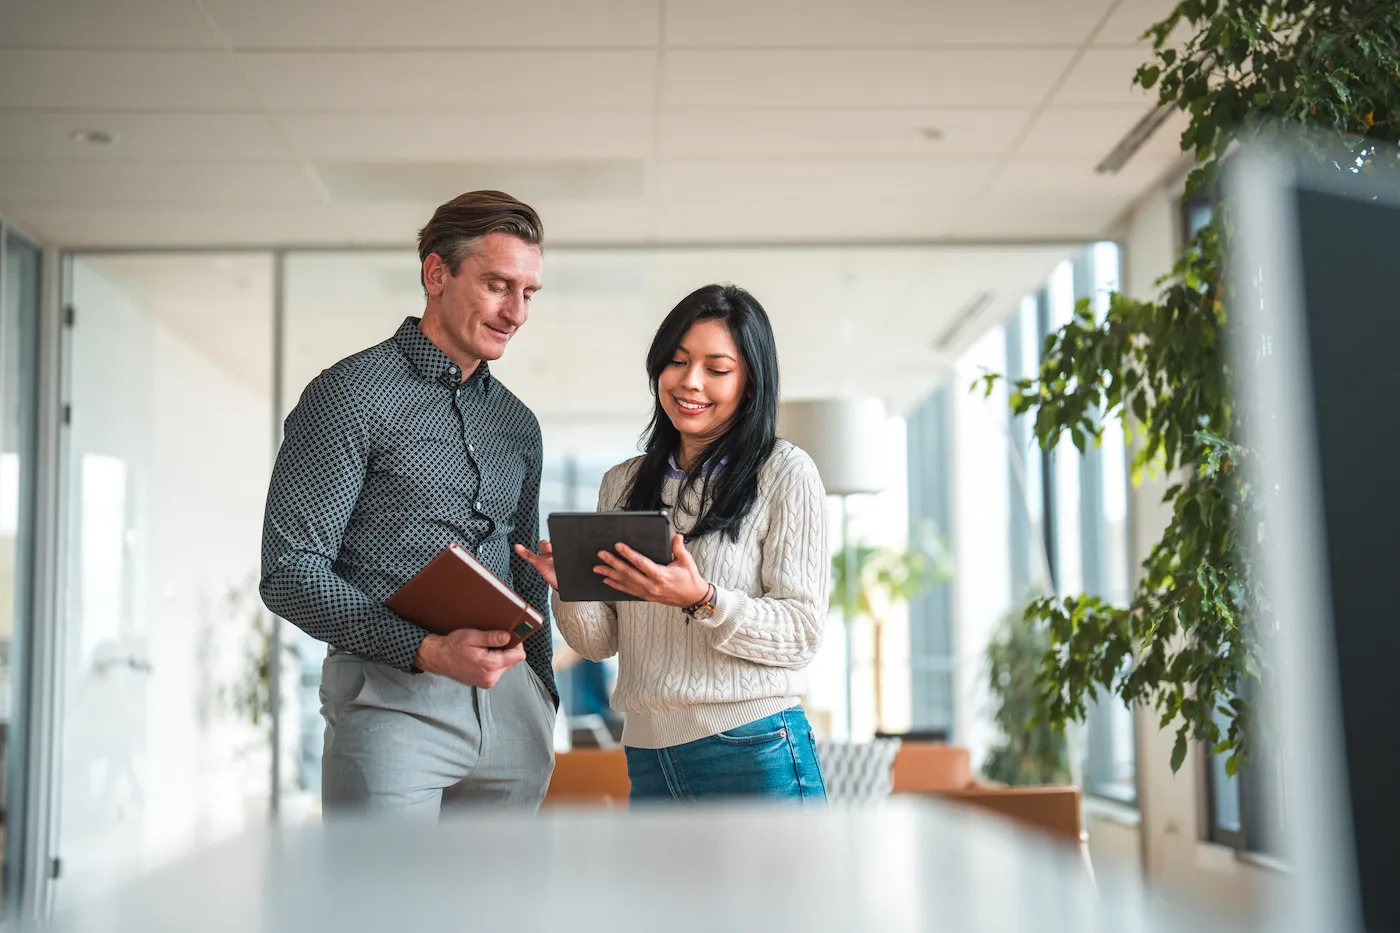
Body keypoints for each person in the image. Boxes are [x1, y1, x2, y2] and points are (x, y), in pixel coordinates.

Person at [260, 190, 556, 816]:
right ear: (436, 273)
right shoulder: (347, 395)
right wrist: (427, 650)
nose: (516, 313)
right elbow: (289, 571)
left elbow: (527, 565)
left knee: (494, 913)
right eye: (498, 285)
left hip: (512, 716)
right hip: (391, 705)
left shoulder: (517, 423)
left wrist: (542, 692)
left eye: (528, 293)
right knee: (382, 910)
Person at [516, 284, 829, 805]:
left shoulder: (784, 473)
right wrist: (569, 584)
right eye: (677, 362)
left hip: (751, 746)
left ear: (751, 382)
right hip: (648, 751)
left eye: (717, 368)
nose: (690, 382)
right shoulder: (621, 483)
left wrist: (700, 599)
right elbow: (598, 643)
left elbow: (802, 633)